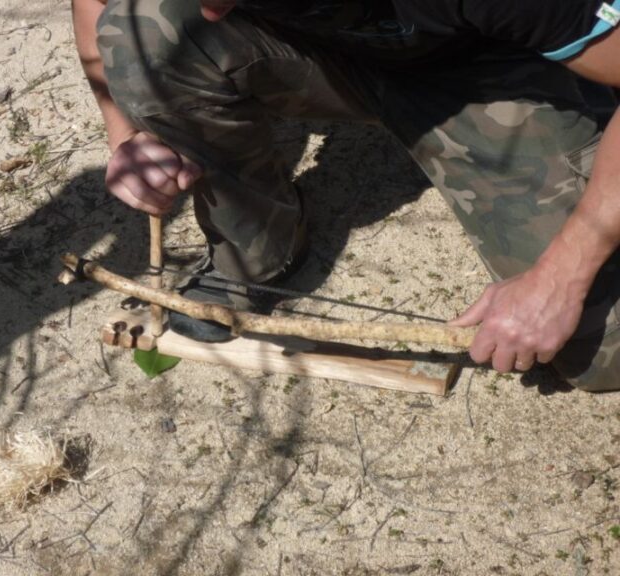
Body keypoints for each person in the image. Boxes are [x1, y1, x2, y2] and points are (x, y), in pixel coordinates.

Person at [72, 0, 620, 391]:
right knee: (146, 32)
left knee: (601, 352)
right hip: (330, 49)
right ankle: (261, 251)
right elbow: (99, 7)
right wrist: (129, 136)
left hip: (486, 68)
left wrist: (561, 277)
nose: (211, 13)